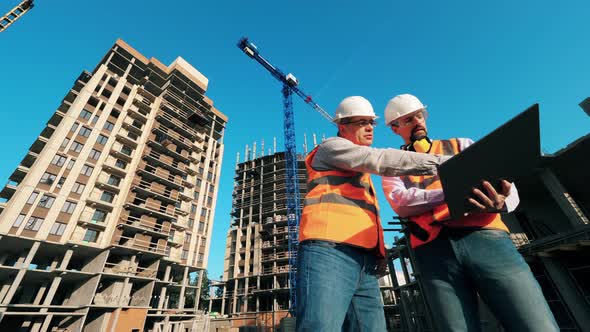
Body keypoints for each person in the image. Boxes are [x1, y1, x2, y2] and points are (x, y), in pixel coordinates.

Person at [381, 93, 559, 331]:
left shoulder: (461, 145)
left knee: (536, 325)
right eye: (409, 119)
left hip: (487, 238)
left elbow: (509, 187)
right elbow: (400, 202)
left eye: (420, 115)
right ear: (395, 128)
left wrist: (502, 202)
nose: (418, 122)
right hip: (434, 250)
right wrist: (453, 189)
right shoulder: (393, 164)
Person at [296, 96, 449, 331]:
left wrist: (380, 252)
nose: (369, 127)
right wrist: (442, 163)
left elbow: (364, 214)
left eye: (372, 123)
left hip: (364, 262)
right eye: (361, 122)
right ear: (342, 126)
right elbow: (378, 159)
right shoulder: (330, 148)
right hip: (329, 251)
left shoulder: (360, 173)